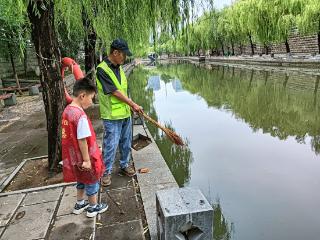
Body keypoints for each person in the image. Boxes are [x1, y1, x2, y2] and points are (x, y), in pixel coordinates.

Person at [96, 38, 143, 186]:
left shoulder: (120, 68)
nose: (125, 57)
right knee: (110, 144)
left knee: (125, 142)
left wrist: (129, 107)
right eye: (123, 54)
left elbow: (123, 90)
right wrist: (133, 104)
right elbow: (114, 92)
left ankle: (124, 165)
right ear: (115, 52)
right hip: (111, 116)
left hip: (124, 114)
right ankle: (106, 172)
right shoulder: (102, 69)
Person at [62, 77, 108, 218]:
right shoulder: (80, 116)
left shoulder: (67, 110)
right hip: (84, 156)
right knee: (91, 180)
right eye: (91, 98)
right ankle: (93, 207)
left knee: (81, 179)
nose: (92, 102)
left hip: (74, 156)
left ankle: (80, 203)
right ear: (82, 95)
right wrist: (87, 160)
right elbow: (82, 140)